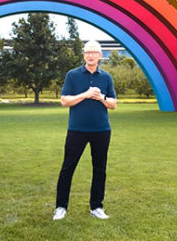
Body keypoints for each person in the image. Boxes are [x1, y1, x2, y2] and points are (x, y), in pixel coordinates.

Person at [53, 40, 117, 220]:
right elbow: (64, 101)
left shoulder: (106, 78)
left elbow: (113, 105)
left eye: (94, 52)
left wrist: (100, 97)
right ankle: (60, 206)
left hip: (101, 130)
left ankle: (96, 207)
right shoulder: (72, 75)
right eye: (87, 52)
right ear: (83, 55)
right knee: (68, 168)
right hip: (77, 130)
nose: (90, 55)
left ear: (100, 56)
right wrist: (86, 94)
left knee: (100, 169)